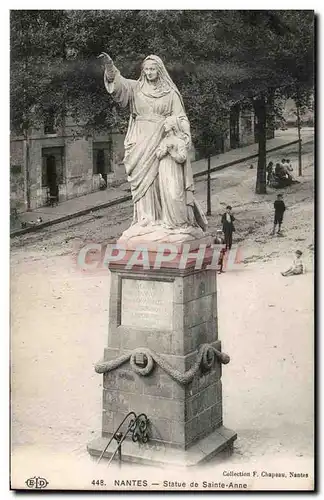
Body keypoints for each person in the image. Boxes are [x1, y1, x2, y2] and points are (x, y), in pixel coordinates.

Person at [100, 52, 192, 228]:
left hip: (161, 139)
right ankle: (146, 218)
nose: (149, 72)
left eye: (152, 69)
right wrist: (110, 67)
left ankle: (165, 218)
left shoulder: (170, 93)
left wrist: (177, 128)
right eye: (146, 69)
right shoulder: (136, 88)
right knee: (142, 182)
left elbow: (181, 117)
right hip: (140, 140)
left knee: (162, 180)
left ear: (160, 70)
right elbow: (118, 86)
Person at [155, 116, 207, 230]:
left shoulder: (180, 142)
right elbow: (158, 154)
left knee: (175, 196)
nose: (164, 125)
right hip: (164, 171)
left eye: (166, 123)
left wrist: (172, 152)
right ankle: (169, 222)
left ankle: (180, 222)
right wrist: (164, 151)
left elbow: (182, 158)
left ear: (172, 126)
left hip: (175, 171)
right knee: (166, 195)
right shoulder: (163, 141)